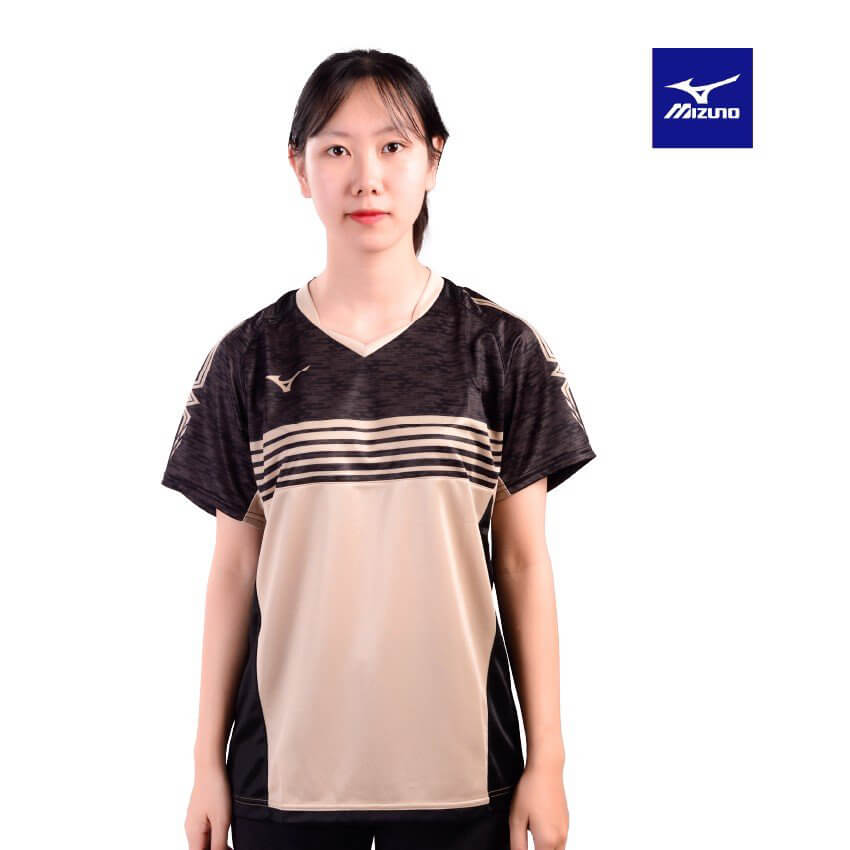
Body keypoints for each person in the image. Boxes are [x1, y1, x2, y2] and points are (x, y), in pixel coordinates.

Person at [161, 49, 597, 850]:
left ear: (434, 159)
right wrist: (204, 764)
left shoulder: (502, 350)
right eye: (337, 149)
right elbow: (231, 572)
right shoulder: (247, 357)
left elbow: (523, 564)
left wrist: (549, 762)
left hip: (466, 776)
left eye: (393, 146)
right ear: (299, 168)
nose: (367, 177)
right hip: (282, 777)